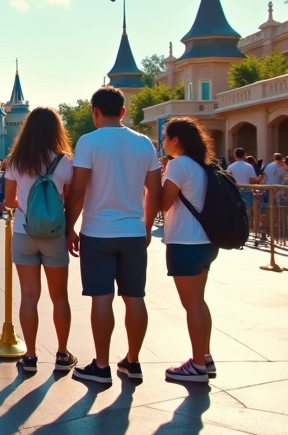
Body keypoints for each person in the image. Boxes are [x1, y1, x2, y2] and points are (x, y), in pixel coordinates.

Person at [65, 87, 161, 385]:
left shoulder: (88, 142)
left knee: (101, 299)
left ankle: (102, 366)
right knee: (135, 298)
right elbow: (155, 189)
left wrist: (70, 226)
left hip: (98, 232)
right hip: (133, 232)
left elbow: (79, 189)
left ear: (95, 112)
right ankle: (132, 361)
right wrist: (146, 226)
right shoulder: (144, 143)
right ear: (123, 112)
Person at [4, 107, 77, 373]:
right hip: (54, 235)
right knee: (59, 297)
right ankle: (61, 354)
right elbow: (67, 200)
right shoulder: (65, 161)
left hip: (24, 232)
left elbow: (8, 201)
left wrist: (26, 204)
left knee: (29, 296)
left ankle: (31, 356)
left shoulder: (16, 161)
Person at [159, 117, 220, 383]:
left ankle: (196, 365)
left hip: (185, 241)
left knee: (191, 303)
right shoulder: (200, 164)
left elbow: (163, 202)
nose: (163, 142)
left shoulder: (178, 164)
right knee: (199, 301)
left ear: (176, 140)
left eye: (165, 137)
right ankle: (204, 357)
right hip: (205, 241)